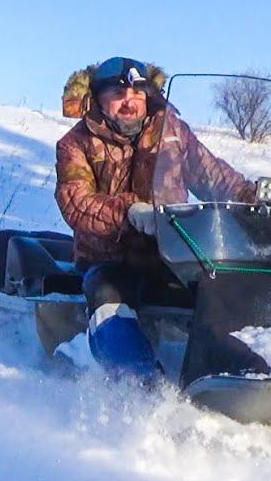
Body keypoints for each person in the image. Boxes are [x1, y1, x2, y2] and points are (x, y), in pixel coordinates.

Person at [54, 56, 258, 378]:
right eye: (118, 94)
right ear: (97, 98)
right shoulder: (75, 144)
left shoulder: (171, 131)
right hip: (111, 258)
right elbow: (76, 202)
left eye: (138, 93)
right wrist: (129, 212)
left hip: (173, 253)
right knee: (107, 295)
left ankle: (246, 370)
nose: (130, 102)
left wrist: (250, 198)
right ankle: (140, 386)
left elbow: (211, 174)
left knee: (223, 285)